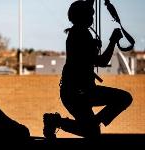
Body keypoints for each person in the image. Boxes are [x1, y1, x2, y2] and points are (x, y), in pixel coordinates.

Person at [43, 0, 132, 139]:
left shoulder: (77, 32)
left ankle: (55, 121)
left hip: (73, 93)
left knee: (92, 133)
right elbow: (102, 61)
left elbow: (86, 8)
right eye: (90, 15)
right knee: (124, 98)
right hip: (81, 93)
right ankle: (88, 123)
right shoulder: (81, 35)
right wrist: (113, 40)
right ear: (84, 17)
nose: (92, 18)